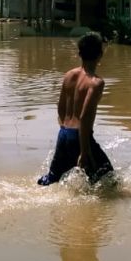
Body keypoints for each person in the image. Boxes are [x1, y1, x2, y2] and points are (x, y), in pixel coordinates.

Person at [38, 32, 114, 185]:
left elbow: (60, 108)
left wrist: (66, 132)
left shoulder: (69, 75)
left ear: (79, 53)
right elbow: (85, 117)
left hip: (63, 133)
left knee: (51, 180)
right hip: (80, 137)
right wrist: (84, 152)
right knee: (109, 180)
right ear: (100, 54)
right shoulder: (96, 83)